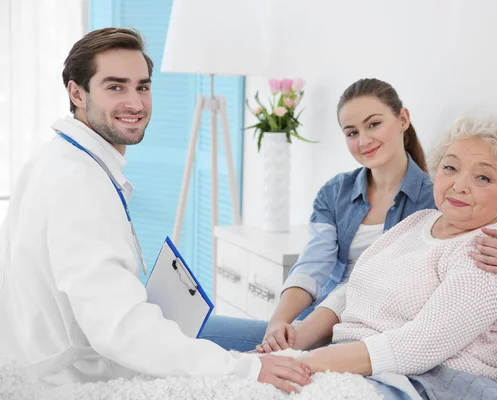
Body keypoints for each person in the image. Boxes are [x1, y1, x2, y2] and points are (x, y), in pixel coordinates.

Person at [0, 27, 311, 393]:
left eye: (142, 87)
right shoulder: (77, 181)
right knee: (291, 344)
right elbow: (118, 328)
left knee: (284, 334)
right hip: (79, 373)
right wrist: (246, 371)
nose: (135, 103)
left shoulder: (63, 156)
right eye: (115, 87)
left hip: (83, 345)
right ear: (76, 93)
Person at [199, 78, 497, 354]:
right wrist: (280, 322)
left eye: (374, 124)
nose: (363, 140)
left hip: (372, 337)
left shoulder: (438, 200)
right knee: (198, 332)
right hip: (326, 314)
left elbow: (495, 257)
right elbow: (313, 266)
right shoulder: (336, 193)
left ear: (403, 120)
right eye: (351, 132)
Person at [263, 112, 497, 399]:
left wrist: (301, 362)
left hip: (418, 381)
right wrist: (298, 337)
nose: (460, 185)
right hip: (351, 355)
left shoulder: (489, 256)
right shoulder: (421, 220)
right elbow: (355, 288)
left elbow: (416, 347)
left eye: (483, 177)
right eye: (451, 168)